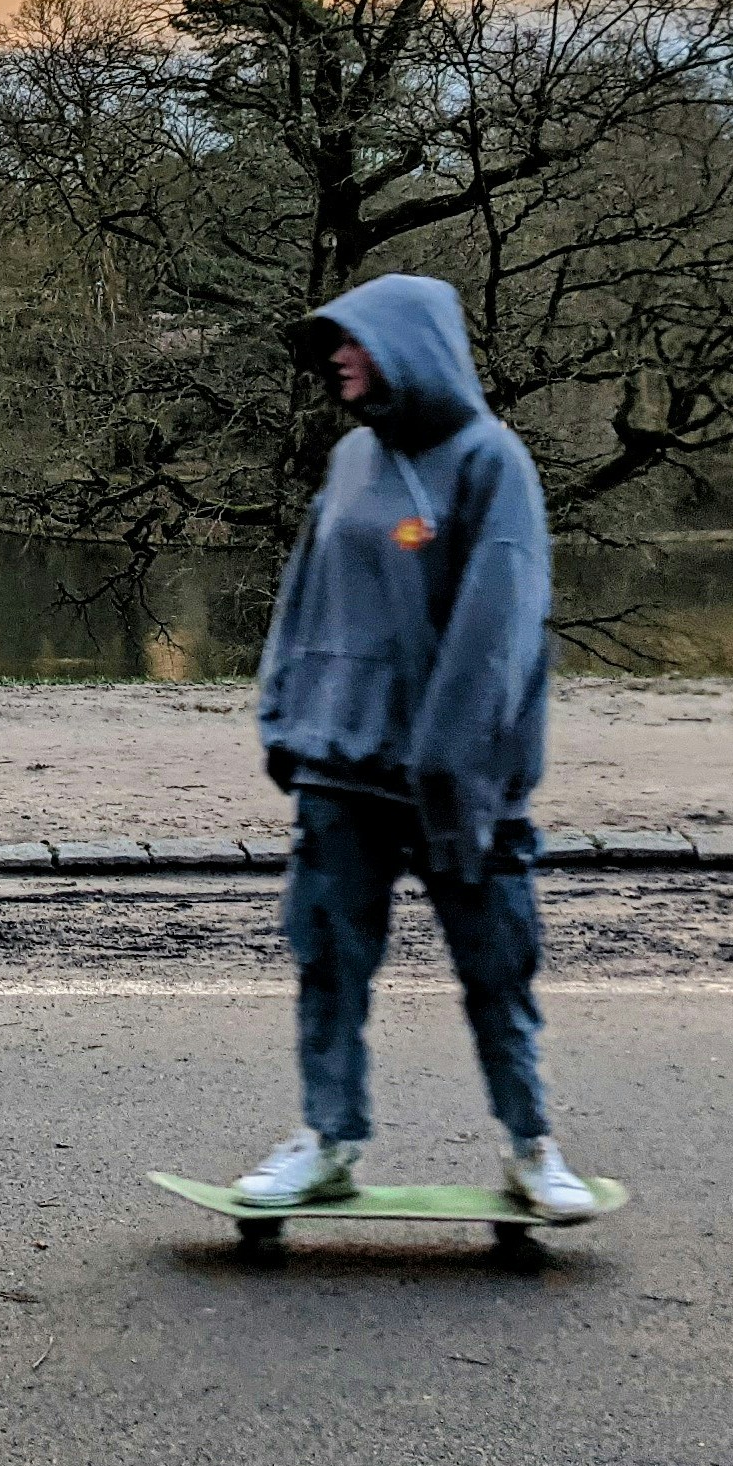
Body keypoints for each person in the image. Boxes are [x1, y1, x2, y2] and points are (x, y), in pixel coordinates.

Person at [232, 272, 596, 1219]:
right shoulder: (353, 460)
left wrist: (454, 767)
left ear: (408, 347)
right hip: (339, 766)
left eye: (351, 341)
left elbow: (500, 632)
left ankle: (532, 1144)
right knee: (328, 957)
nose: (337, 360)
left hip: (455, 782)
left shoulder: (490, 460)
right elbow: (304, 599)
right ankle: (327, 1137)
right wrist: (283, 714)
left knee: (496, 963)